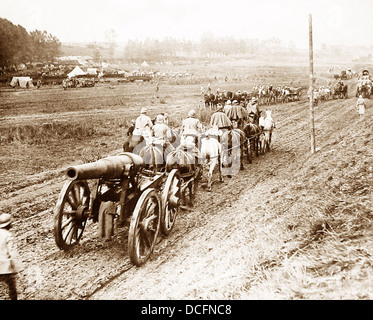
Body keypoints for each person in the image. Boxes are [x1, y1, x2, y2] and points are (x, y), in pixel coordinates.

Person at [0, 214, 23, 300]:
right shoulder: (8, 235)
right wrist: (18, 267)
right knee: (12, 289)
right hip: (6, 268)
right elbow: (12, 252)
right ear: (9, 224)